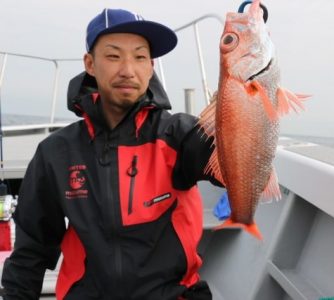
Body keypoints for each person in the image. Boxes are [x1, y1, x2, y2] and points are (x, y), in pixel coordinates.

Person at [1, 8, 218, 300]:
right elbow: (31, 250)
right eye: (114, 56)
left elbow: (232, 169)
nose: (128, 69)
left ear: (151, 66)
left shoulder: (180, 135)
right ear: (90, 64)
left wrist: (244, 106)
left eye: (140, 57)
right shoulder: (57, 152)